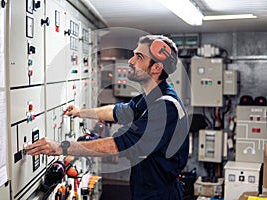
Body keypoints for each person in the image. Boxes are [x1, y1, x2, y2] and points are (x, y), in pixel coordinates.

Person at [25, 35, 189, 200]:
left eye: (139, 57)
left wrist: (60, 147)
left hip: (161, 194)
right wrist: (80, 112)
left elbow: (116, 145)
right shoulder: (152, 96)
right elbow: (118, 111)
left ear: (156, 68)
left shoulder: (165, 106)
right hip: (146, 188)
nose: (131, 61)